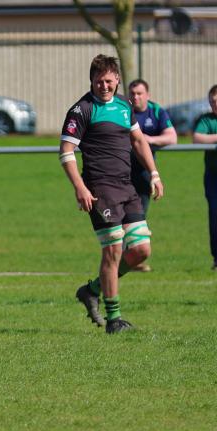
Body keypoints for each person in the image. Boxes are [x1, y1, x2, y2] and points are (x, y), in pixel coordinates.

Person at [61, 54, 164, 334]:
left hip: (127, 186)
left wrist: (154, 173)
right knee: (113, 250)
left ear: (117, 80)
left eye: (108, 81)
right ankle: (114, 318)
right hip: (100, 190)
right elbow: (66, 152)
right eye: (98, 81)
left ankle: (92, 290)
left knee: (141, 250)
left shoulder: (122, 106)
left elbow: (138, 139)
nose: (104, 86)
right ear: (91, 81)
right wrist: (80, 187)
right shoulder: (81, 110)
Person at [127, 79, 177, 272]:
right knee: (121, 219)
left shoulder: (156, 111)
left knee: (138, 216)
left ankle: (132, 258)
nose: (135, 97)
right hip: (121, 174)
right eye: (132, 93)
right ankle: (126, 258)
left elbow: (172, 137)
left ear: (147, 94)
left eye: (139, 93)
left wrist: (148, 140)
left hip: (144, 175)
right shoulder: (123, 111)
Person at [192, 84, 217, 270]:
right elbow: (197, 138)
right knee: (215, 215)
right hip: (213, 176)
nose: (214, 104)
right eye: (212, 101)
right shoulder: (207, 120)